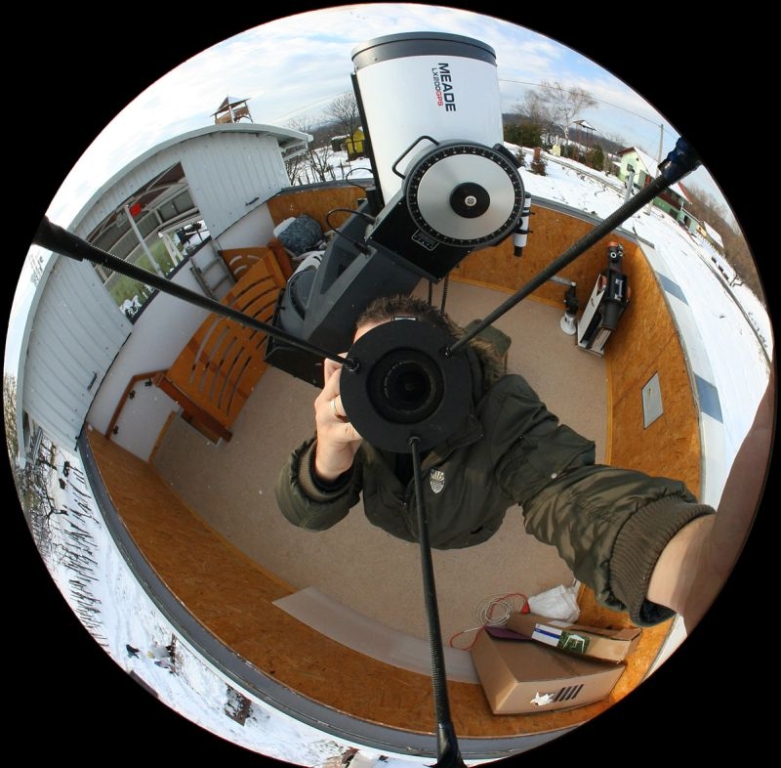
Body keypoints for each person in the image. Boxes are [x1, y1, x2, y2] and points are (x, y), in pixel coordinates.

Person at [275, 295, 775, 631]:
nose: (392, 382)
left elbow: (561, 488)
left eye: (407, 358)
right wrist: (327, 458)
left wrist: (684, 564)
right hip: (396, 514)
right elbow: (304, 515)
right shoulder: (355, 412)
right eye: (372, 362)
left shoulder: (505, 410)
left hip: (464, 526)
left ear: (449, 356)